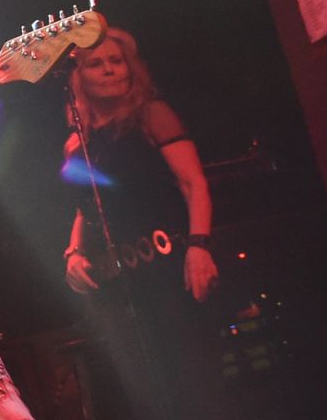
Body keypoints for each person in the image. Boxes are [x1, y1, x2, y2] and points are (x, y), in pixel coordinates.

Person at [59, 27, 222, 420]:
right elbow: (85, 207)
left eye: (117, 61)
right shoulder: (76, 141)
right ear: (79, 76)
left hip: (165, 265)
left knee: (189, 379)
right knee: (139, 388)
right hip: (115, 281)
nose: (110, 70)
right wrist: (73, 252)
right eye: (96, 64)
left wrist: (200, 245)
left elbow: (193, 182)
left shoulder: (151, 114)